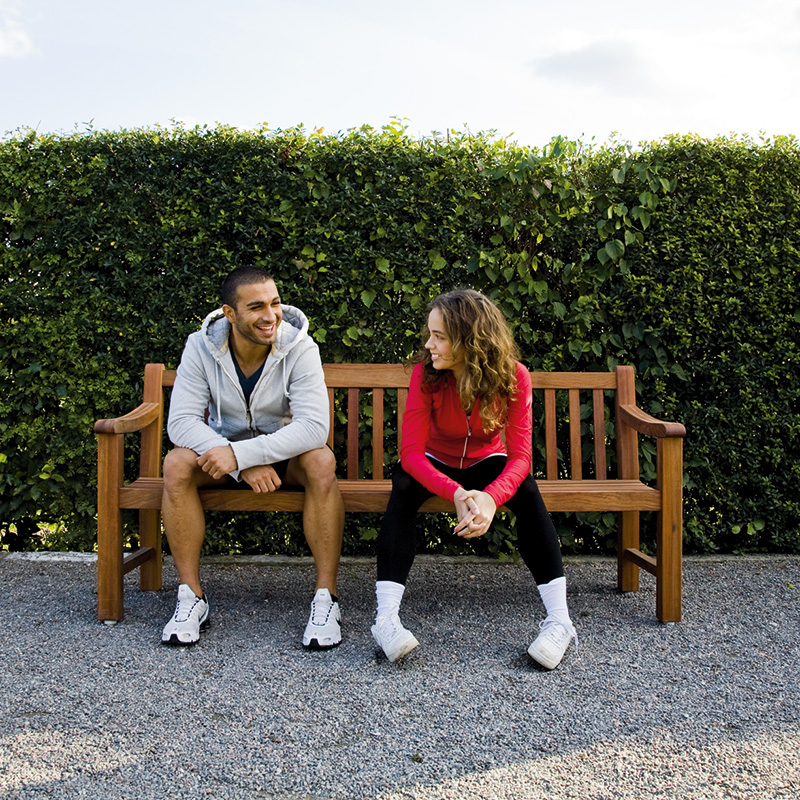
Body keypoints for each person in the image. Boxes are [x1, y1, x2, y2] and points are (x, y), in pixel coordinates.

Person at [371, 289, 576, 669]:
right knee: (401, 486)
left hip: (487, 459)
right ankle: (385, 620)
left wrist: (491, 497)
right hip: (435, 461)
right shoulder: (425, 375)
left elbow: (520, 458)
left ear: (470, 339)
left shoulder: (514, 377)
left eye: (440, 336)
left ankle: (560, 621)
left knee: (528, 491)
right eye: (429, 334)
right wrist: (455, 491)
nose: (429, 344)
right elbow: (411, 454)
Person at [160, 265, 344, 649]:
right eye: (256, 306)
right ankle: (191, 598)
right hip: (224, 456)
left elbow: (313, 429)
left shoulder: (300, 347)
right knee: (176, 464)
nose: (270, 315)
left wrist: (240, 456)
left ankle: (327, 599)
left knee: (321, 461)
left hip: (281, 455)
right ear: (230, 314)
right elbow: (180, 422)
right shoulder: (200, 346)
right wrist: (241, 464)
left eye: (275, 303)